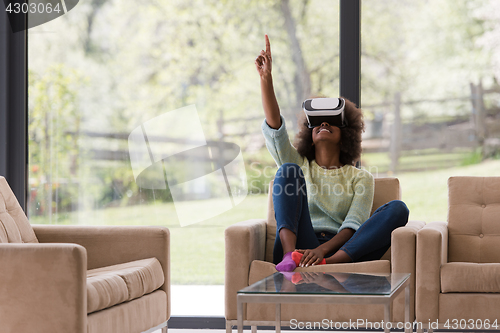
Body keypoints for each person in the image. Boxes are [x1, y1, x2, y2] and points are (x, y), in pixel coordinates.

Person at [255, 34, 409, 272]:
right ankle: (289, 257)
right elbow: (275, 129)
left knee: (398, 209)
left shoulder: (360, 177)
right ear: (309, 131)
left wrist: (322, 252)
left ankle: (330, 264)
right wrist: (266, 79)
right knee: (286, 170)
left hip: (341, 250)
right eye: (317, 121)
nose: (323, 124)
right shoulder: (299, 163)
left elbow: (352, 224)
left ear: (346, 132)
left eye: (331, 121)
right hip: (300, 243)